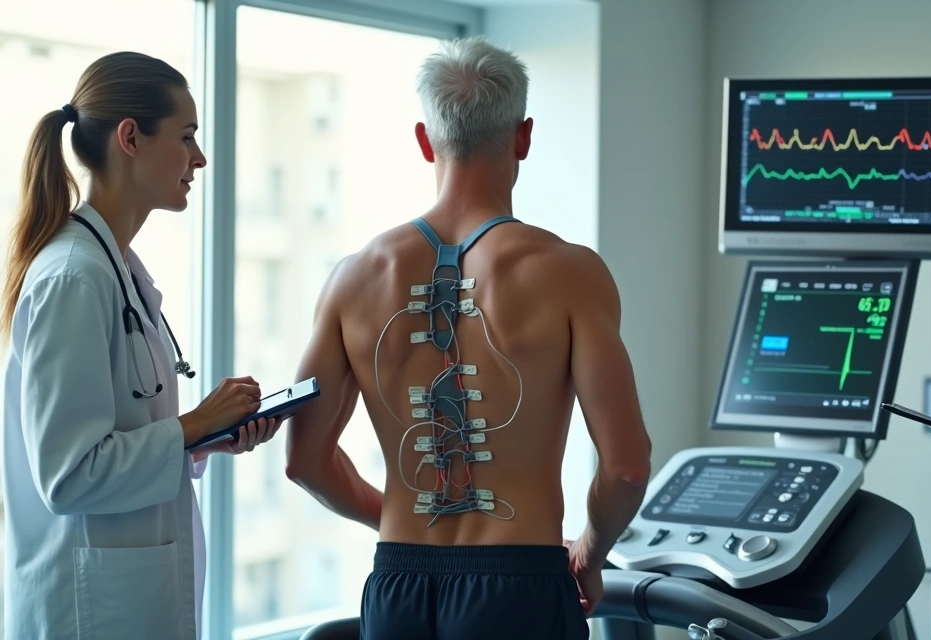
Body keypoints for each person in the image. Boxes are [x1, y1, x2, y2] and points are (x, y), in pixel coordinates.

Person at [283, 35, 652, 640]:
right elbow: (627, 469)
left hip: (397, 583)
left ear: (426, 141)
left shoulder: (354, 278)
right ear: (523, 137)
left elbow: (304, 462)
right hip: (521, 584)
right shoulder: (568, 273)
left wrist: (400, 521)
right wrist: (589, 549)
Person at [2, 51, 280, 640]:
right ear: (131, 137)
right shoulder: (74, 277)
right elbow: (69, 475)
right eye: (186, 137)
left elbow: (116, 439)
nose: (198, 159)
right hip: (88, 610)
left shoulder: (114, 269)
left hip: (124, 599)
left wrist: (203, 439)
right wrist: (192, 424)